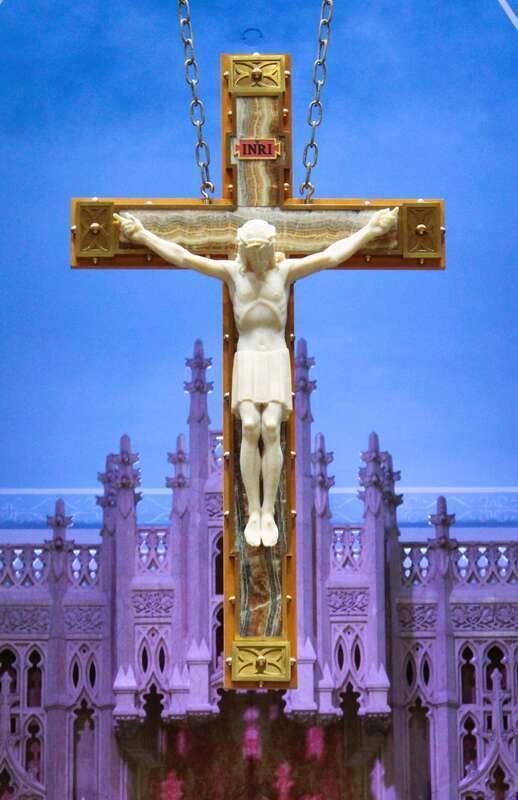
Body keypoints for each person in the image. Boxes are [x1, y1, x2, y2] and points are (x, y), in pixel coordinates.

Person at [114, 207, 398, 547]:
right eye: (251, 251)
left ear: (269, 247)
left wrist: (370, 230)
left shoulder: (287, 271)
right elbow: (184, 257)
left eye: (262, 250)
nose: (257, 257)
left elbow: (331, 255)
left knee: (270, 427)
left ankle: (268, 510)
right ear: (243, 249)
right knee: (250, 426)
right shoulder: (233, 274)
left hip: (275, 357)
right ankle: (253, 511)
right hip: (247, 358)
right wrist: (143, 235)